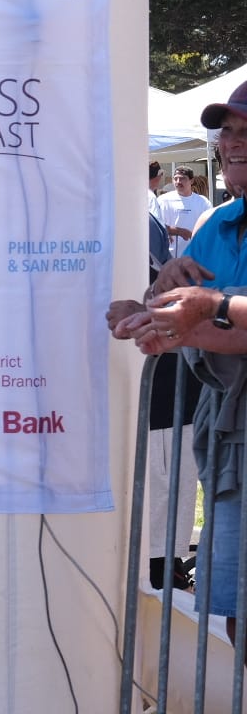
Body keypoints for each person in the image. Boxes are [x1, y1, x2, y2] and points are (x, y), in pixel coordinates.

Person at [111, 80, 247, 640]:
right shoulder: (216, 223)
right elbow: (200, 322)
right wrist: (152, 317)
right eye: (229, 132)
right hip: (230, 445)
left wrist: (207, 307)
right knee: (238, 617)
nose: (234, 144)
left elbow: (212, 311)